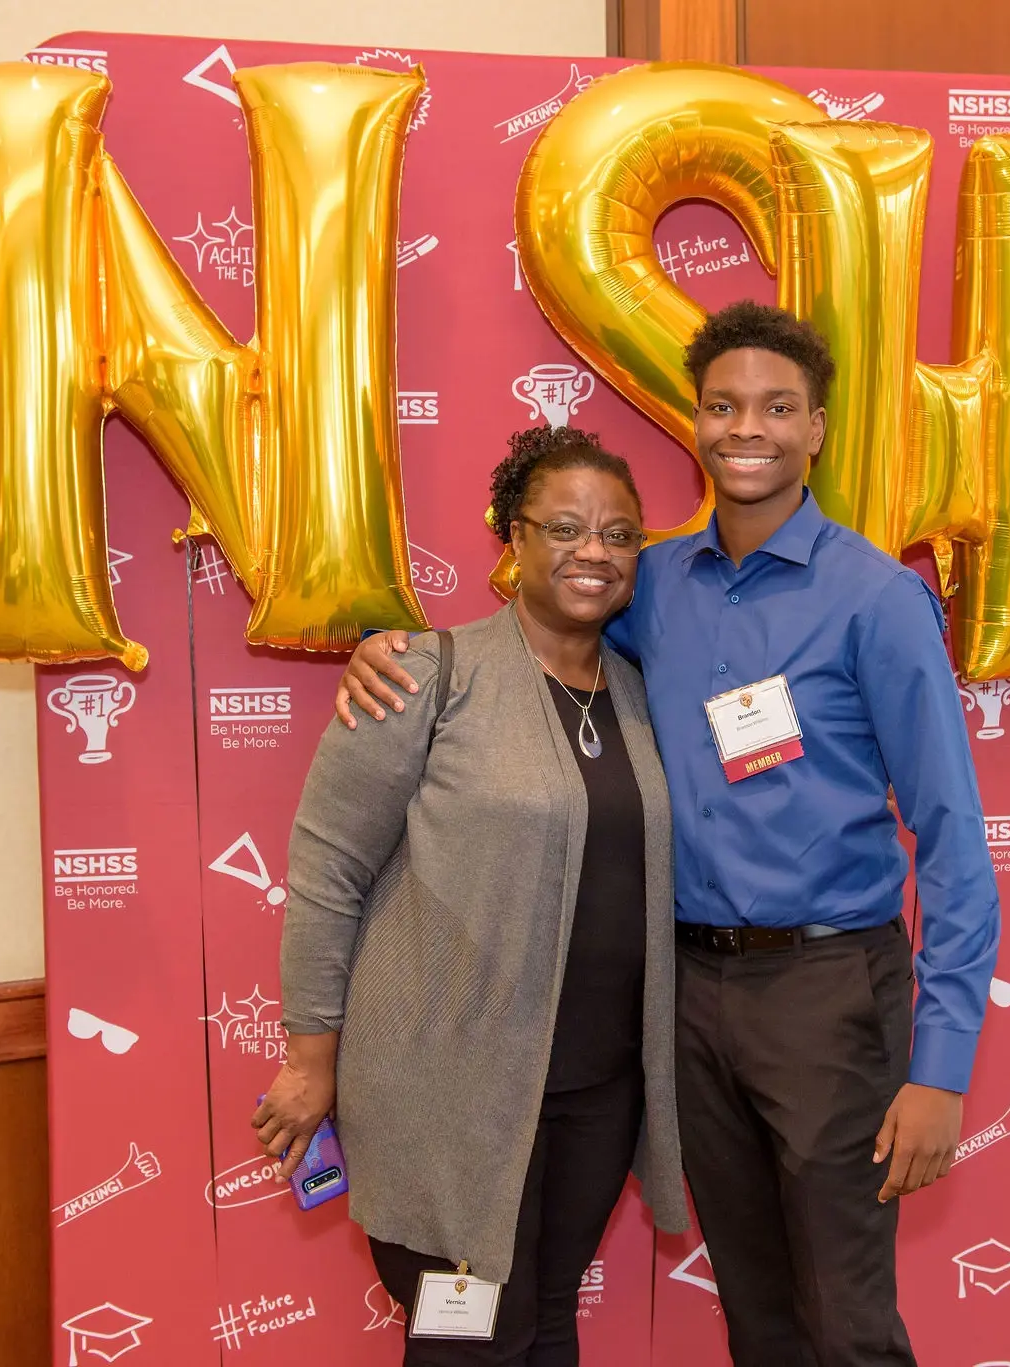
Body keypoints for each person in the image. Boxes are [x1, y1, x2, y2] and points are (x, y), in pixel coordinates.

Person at [335, 301, 1002, 1366]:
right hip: (684, 995)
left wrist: (943, 1063)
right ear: (692, 421)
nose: (750, 428)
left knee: (845, 1317)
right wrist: (376, 644)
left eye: (777, 407)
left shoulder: (876, 600)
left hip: (826, 992)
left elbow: (953, 841)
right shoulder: (654, 587)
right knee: (756, 1309)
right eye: (724, 405)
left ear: (816, 428)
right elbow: (539, 631)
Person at [256, 426, 688, 1365]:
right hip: (443, 1087)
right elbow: (328, 873)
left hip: (596, 1091)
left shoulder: (643, 694)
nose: (594, 552)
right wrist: (309, 1059)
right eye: (564, 527)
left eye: (619, 535)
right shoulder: (423, 673)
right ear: (513, 540)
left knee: (546, 1323)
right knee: (470, 1339)